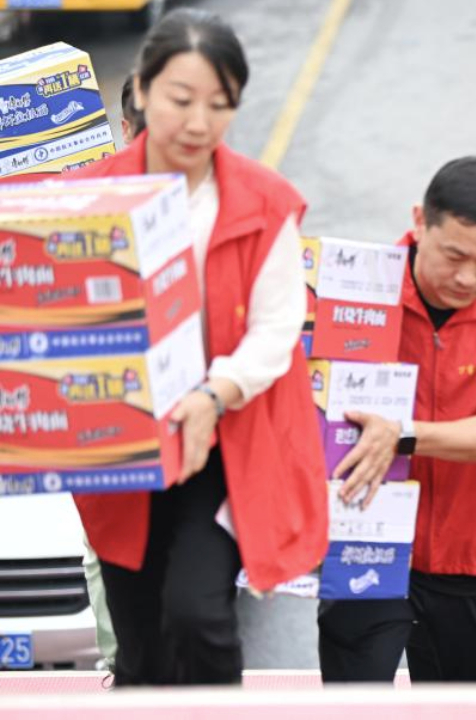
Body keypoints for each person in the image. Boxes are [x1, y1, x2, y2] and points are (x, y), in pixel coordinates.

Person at [70, 8, 328, 686]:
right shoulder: (85, 199)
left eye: (219, 105)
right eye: (181, 100)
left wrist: (217, 392)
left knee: (198, 613)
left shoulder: (264, 201)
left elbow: (278, 325)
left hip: (222, 437)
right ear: (143, 91)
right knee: (140, 640)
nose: (197, 122)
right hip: (119, 438)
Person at [317, 157, 476, 683]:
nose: (467, 277)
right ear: (418, 222)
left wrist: (404, 436)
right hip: (368, 536)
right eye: (454, 254)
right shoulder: (357, 287)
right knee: (350, 703)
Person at [79, 71, 149, 677]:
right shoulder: (82, 205)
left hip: (189, 426)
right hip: (107, 428)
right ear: (125, 130)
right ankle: (123, 669)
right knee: (107, 549)